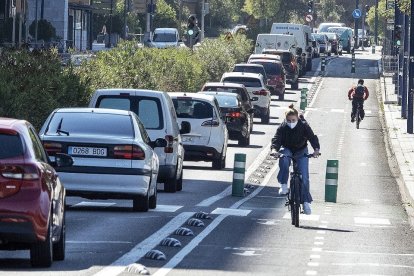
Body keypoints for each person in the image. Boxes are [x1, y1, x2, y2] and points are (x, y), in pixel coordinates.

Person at [271, 104, 320, 215]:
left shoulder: (304, 126)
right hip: (287, 148)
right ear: (285, 119)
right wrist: (274, 150)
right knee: (283, 158)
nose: (291, 122)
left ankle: (306, 202)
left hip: (301, 150)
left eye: (293, 120)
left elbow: (312, 137)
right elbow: (276, 139)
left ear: (297, 118)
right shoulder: (282, 127)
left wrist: (316, 149)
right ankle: (283, 184)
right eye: (289, 120)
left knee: (305, 176)